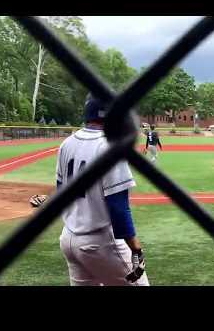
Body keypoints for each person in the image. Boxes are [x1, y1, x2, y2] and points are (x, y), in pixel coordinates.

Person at [57, 95, 149, 286]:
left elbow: (61, 193)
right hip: (99, 242)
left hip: (68, 239)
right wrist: (136, 248)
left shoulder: (67, 143)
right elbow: (118, 207)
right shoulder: (111, 146)